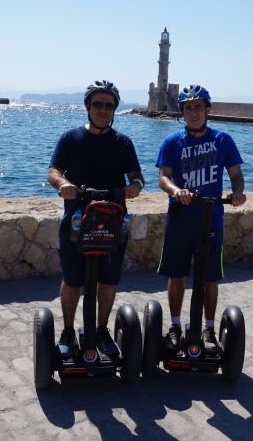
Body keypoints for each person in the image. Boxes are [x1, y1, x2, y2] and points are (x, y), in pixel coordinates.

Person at [47, 80, 145, 356]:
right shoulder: (70, 138)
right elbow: (53, 171)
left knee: (109, 279)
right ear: (88, 106)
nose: (103, 110)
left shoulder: (123, 143)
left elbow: (137, 176)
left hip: (113, 221)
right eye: (98, 104)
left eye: (109, 105)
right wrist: (62, 184)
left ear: (114, 109)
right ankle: (67, 330)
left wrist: (135, 186)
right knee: (72, 279)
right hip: (77, 218)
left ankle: (102, 330)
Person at [156, 85, 246, 352]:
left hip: (211, 219)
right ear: (182, 111)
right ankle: (174, 325)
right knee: (176, 274)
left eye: (198, 107)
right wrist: (176, 190)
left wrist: (238, 193)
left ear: (208, 109)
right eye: (188, 108)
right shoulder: (172, 142)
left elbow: (236, 175)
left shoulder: (223, 140)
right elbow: (163, 177)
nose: (193, 113)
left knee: (209, 277)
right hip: (181, 217)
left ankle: (208, 328)